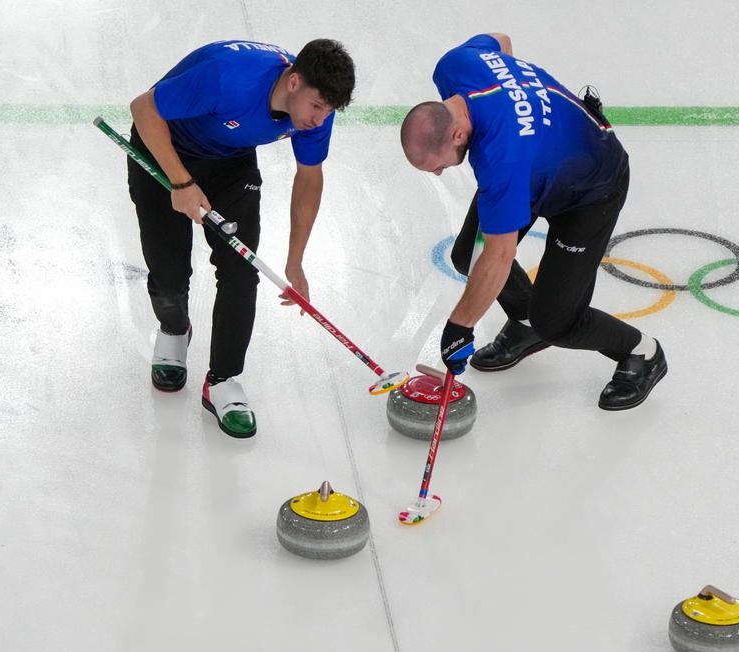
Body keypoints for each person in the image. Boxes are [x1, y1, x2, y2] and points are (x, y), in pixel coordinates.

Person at [400, 33, 666, 410]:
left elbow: (499, 257)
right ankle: (524, 324)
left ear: (457, 133)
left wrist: (459, 326)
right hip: (533, 171)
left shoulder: (501, 159)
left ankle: (642, 352)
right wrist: (524, 114)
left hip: (592, 189)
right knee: (468, 256)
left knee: (556, 322)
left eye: (439, 165)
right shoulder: (455, 66)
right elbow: (501, 40)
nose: (440, 172)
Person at [126, 38, 355, 437]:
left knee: (241, 270)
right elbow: (143, 108)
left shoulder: (315, 111)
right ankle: (174, 329)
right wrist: (181, 182)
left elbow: (309, 178)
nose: (320, 120)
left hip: (230, 161)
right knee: (169, 269)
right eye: (318, 107)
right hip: (163, 147)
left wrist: (295, 260)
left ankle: (223, 380)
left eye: (329, 111)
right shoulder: (227, 77)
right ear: (294, 82)